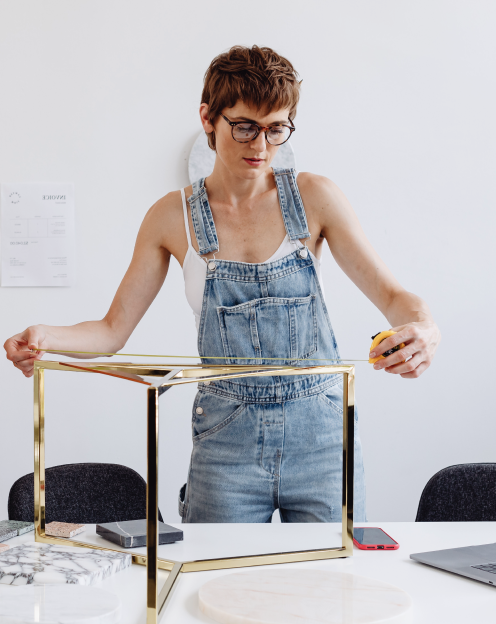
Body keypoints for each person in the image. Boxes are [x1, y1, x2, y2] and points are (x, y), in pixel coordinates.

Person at [4, 45, 440, 523]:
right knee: (214, 569)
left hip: (322, 439)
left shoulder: (315, 198)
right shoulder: (170, 217)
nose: (261, 146)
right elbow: (112, 331)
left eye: (276, 128)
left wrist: (423, 328)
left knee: (329, 571)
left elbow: (393, 296)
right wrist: (46, 337)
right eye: (245, 127)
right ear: (208, 118)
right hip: (226, 444)